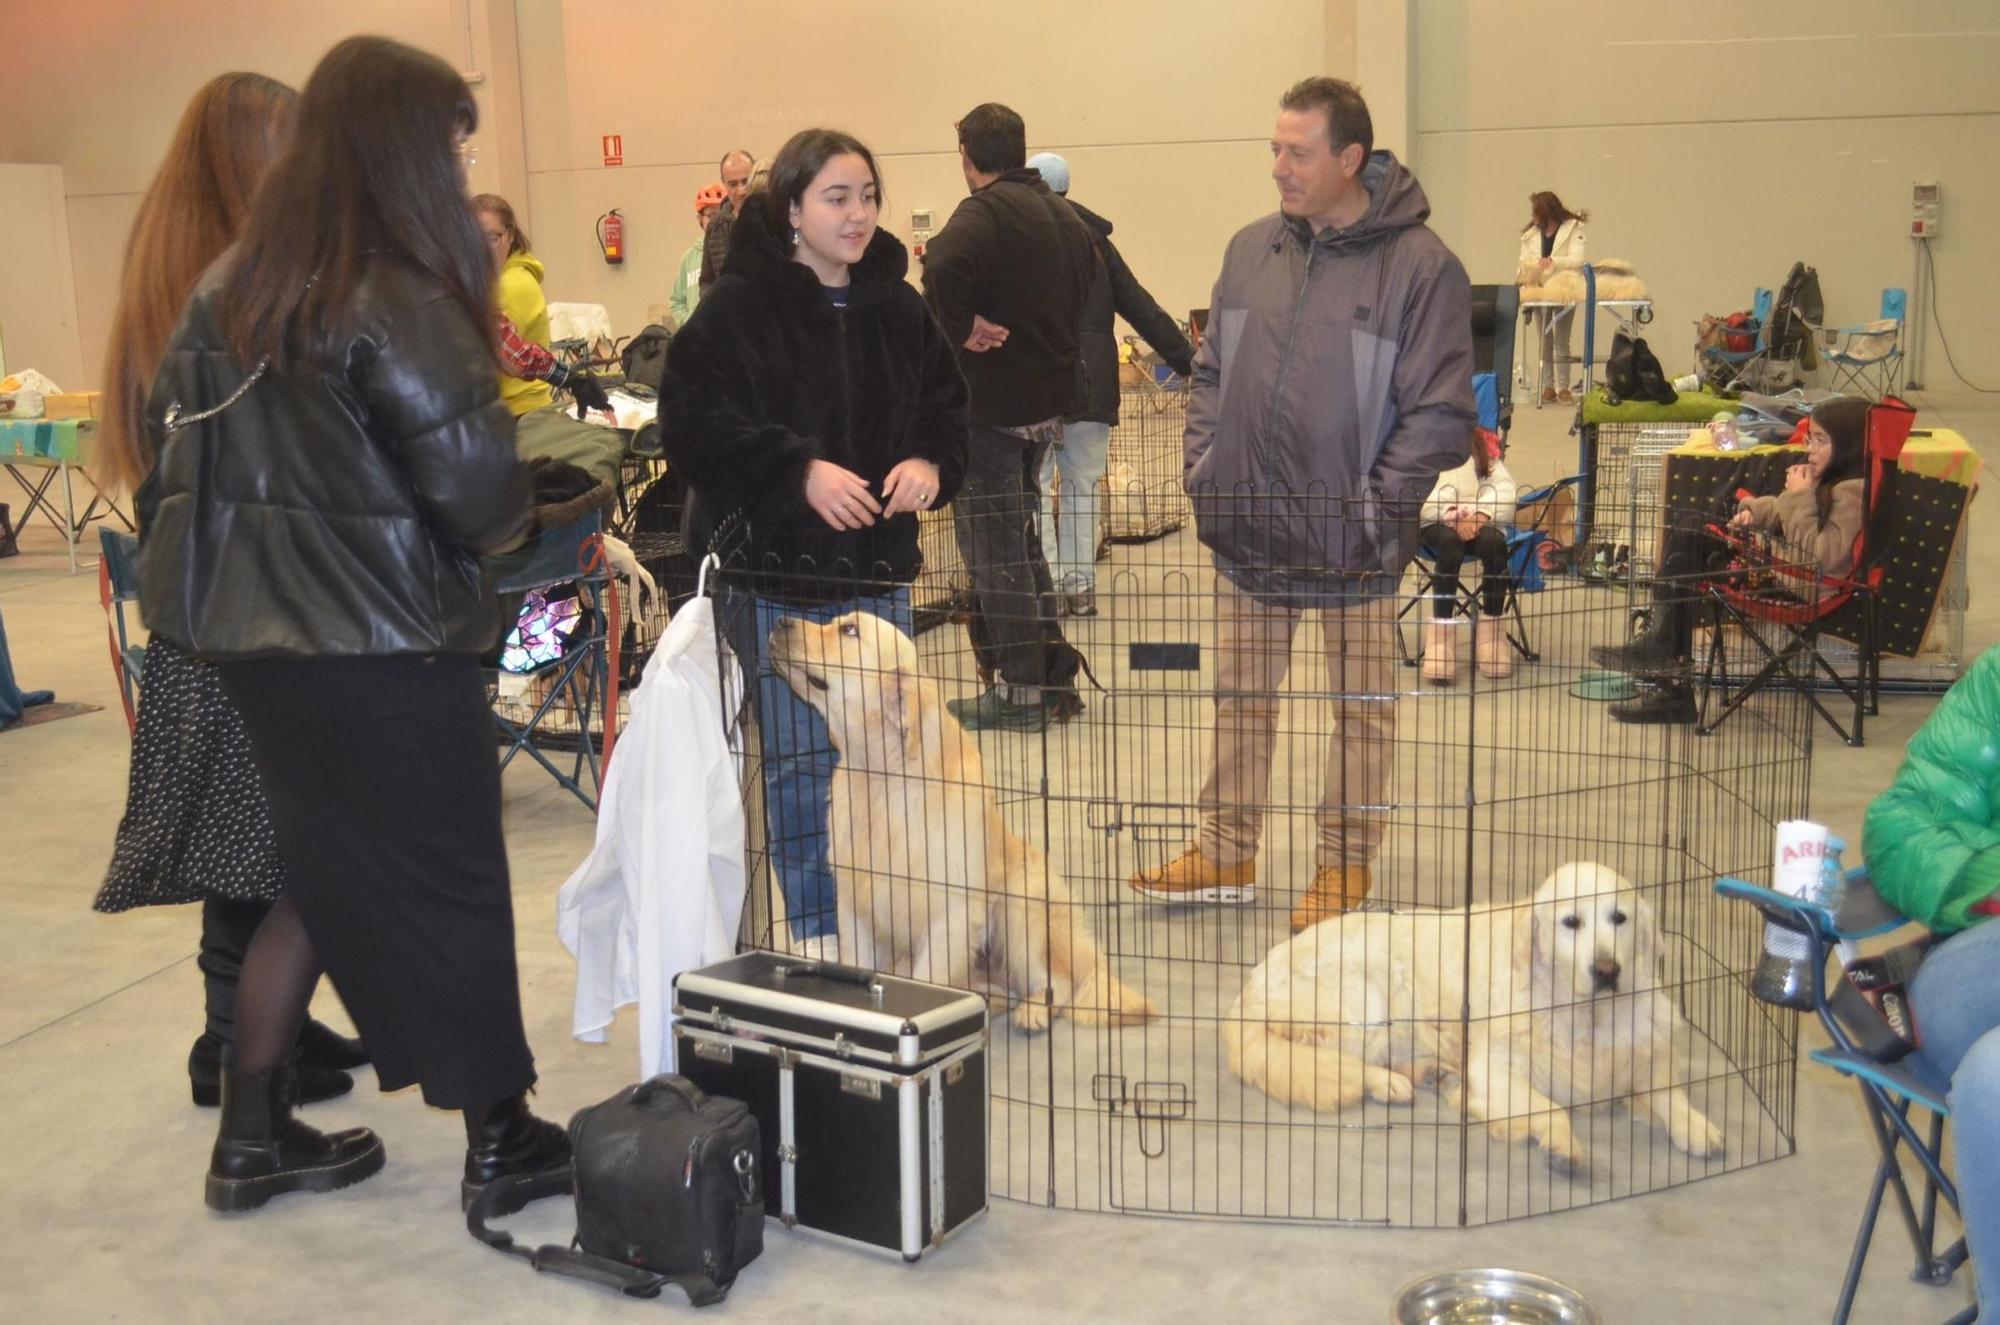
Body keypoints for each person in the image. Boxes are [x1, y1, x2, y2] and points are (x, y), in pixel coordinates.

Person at [137, 35, 569, 1215]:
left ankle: (251, 1135)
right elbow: (483, 502)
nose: (457, 159)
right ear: (403, 145)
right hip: (384, 645)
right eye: (451, 139)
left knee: (326, 876)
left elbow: (170, 464)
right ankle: (503, 1135)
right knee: (451, 884)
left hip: (255, 649)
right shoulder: (396, 291)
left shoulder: (230, 284)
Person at [1130, 76, 1473, 934]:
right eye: (1274, 149)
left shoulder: (1421, 268)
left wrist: (1372, 507)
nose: (1279, 168)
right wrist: (1206, 465)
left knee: (1361, 715)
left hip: (1352, 544)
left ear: (1350, 158)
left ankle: (1346, 866)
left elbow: (1441, 414)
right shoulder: (1252, 250)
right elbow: (1212, 372)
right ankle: (1224, 850)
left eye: (1298, 152)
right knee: (1240, 699)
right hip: (1247, 527)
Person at [91, 71, 371, 1110]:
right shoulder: (231, 296)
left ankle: (267, 1024)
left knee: (251, 842)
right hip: (243, 616)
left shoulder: (169, 275)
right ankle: (238, 1053)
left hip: (205, 609)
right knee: (262, 844)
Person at [660, 127, 968, 956]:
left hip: (879, 579)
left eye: (868, 196)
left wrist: (928, 460)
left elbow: (947, 405)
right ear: (792, 209)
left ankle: (890, 930)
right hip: (777, 582)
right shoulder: (738, 307)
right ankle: (822, 937)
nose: (858, 214)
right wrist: (795, 471)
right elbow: (690, 424)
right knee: (800, 769)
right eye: (837, 197)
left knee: (897, 766)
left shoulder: (898, 307)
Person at [923, 103, 1097, 732]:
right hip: (1044, 411)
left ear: (967, 156)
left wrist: (961, 325)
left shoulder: (982, 214)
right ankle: (1051, 680)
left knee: (995, 553)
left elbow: (938, 267)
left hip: (992, 412)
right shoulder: (1064, 215)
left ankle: (1023, 691)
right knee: (1021, 545)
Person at [1863, 643, 2000, 1323]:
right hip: (1982, 961)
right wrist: (1989, 884)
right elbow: (1895, 826)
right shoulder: (1998, 679)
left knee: (1992, 1078)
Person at [1590, 394, 1869, 724]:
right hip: (1788, 568)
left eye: (1821, 440)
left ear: (1848, 444)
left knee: (1689, 549)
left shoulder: (1853, 491)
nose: (1810, 448)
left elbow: (1819, 557)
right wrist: (1754, 510)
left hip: (1809, 583)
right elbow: (1793, 520)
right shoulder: (1833, 480)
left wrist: (1798, 494)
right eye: (1810, 438)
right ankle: (1666, 661)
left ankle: (1669, 671)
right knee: (1689, 539)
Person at [1023, 151, 1195, 618]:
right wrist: (1190, 362)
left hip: (1037, 384)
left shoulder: (1021, 238)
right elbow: (1142, 307)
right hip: (1093, 384)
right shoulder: (1098, 243)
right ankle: (1079, 588)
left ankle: (1049, 587)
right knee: (1082, 485)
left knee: (1035, 486)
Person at [473, 193, 621, 487]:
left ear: (510, 236)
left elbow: (512, 352)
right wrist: (570, 378)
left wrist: (569, 378)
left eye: (492, 237)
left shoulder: (492, 286)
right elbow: (511, 355)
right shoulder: (474, 287)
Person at [1416, 426, 1518, 684]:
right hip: (1435, 519)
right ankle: (1440, 639)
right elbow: (1416, 492)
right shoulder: (1422, 441)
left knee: (1495, 545)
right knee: (1451, 546)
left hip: (1479, 518)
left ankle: (1493, 638)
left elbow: (1504, 488)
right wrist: (1450, 511)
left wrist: (1481, 514)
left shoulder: (1482, 443)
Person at [1516, 191, 1588, 405]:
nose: (1534, 216)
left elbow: (1578, 259)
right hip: (1540, 290)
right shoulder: (1530, 234)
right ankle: (1547, 386)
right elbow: (1523, 261)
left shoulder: (1574, 228)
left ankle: (1563, 387)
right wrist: (1532, 269)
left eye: (1536, 212)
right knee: (1544, 340)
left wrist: (1554, 261)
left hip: (1565, 289)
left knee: (1561, 340)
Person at [699, 147, 757, 292]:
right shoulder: (715, 226)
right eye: (733, 184)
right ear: (723, 183)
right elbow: (707, 280)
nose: (741, 190)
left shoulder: (773, 218)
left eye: (746, 181)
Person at [671, 183, 727, 328]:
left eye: (720, 213)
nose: (716, 220)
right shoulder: (689, 258)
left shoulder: (731, 251)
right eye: (711, 214)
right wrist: (688, 322)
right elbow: (677, 301)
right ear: (700, 219)